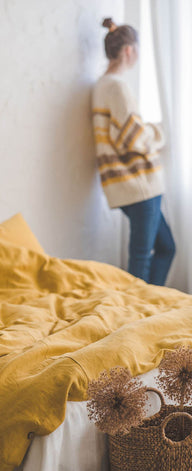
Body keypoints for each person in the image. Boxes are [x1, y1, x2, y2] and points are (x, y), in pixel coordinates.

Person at [92, 17, 175, 286]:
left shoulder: (101, 85)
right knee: (141, 259)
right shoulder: (117, 87)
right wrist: (160, 131)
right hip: (139, 185)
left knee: (165, 247)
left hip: (124, 185)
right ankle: (138, 316)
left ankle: (151, 307)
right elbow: (134, 137)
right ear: (129, 50)